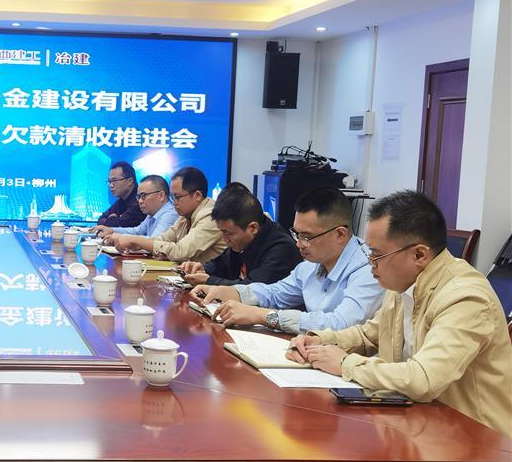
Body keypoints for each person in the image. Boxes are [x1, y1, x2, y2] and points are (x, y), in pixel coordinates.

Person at [287, 191, 512, 436]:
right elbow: (368, 335)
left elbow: (424, 378)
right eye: (369, 253)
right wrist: (319, 341)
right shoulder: (404, 282)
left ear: (419, 254)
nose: (370, 263)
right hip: (418, 422)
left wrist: (344, 364)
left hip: (475, 438)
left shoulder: (465, 297)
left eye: (377, 255)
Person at [190, 187, 383, 334]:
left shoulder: (370, 267)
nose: (299, 244)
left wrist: (263, 316)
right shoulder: (310, 265)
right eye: (296, 234)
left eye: (306, 237)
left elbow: (341, 324)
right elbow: (275, 293)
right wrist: (226, 292)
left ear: (340, 234)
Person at [179, 182, 302, 286]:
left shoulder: (282, 249)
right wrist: (200, 269)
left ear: (253, 228)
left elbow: (253, 289)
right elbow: (219, 265)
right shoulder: (241, 242)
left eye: (228, 233)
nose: (224, 239)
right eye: (222, 232)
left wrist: (209, 281)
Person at [114, 167, 227, 263]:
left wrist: (136, 240)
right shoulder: (185, 216)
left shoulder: (211, 215)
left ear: (197, 195)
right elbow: (164, 239)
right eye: (172, 197)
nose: (174, 202)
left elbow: (181, 252)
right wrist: (134, 244)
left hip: (214, 280)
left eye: (177, 197)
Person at [95, 175, 177, 244]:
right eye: (138, 197)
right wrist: (111, 230)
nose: (140, 201)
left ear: (161, 195)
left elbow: (155, 243)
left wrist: (122, 238)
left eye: (144, 196)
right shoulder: (152, 214)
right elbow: (137, 231)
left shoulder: (170, 214)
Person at [94, 161, 144, 228]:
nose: (111, 185)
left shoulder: (140, 200)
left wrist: (112, 218)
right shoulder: (121, 200)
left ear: (129, 181)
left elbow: (117, 226)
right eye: (109, 181)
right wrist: (114, 219)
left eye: (114, 180)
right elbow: (101, 219)